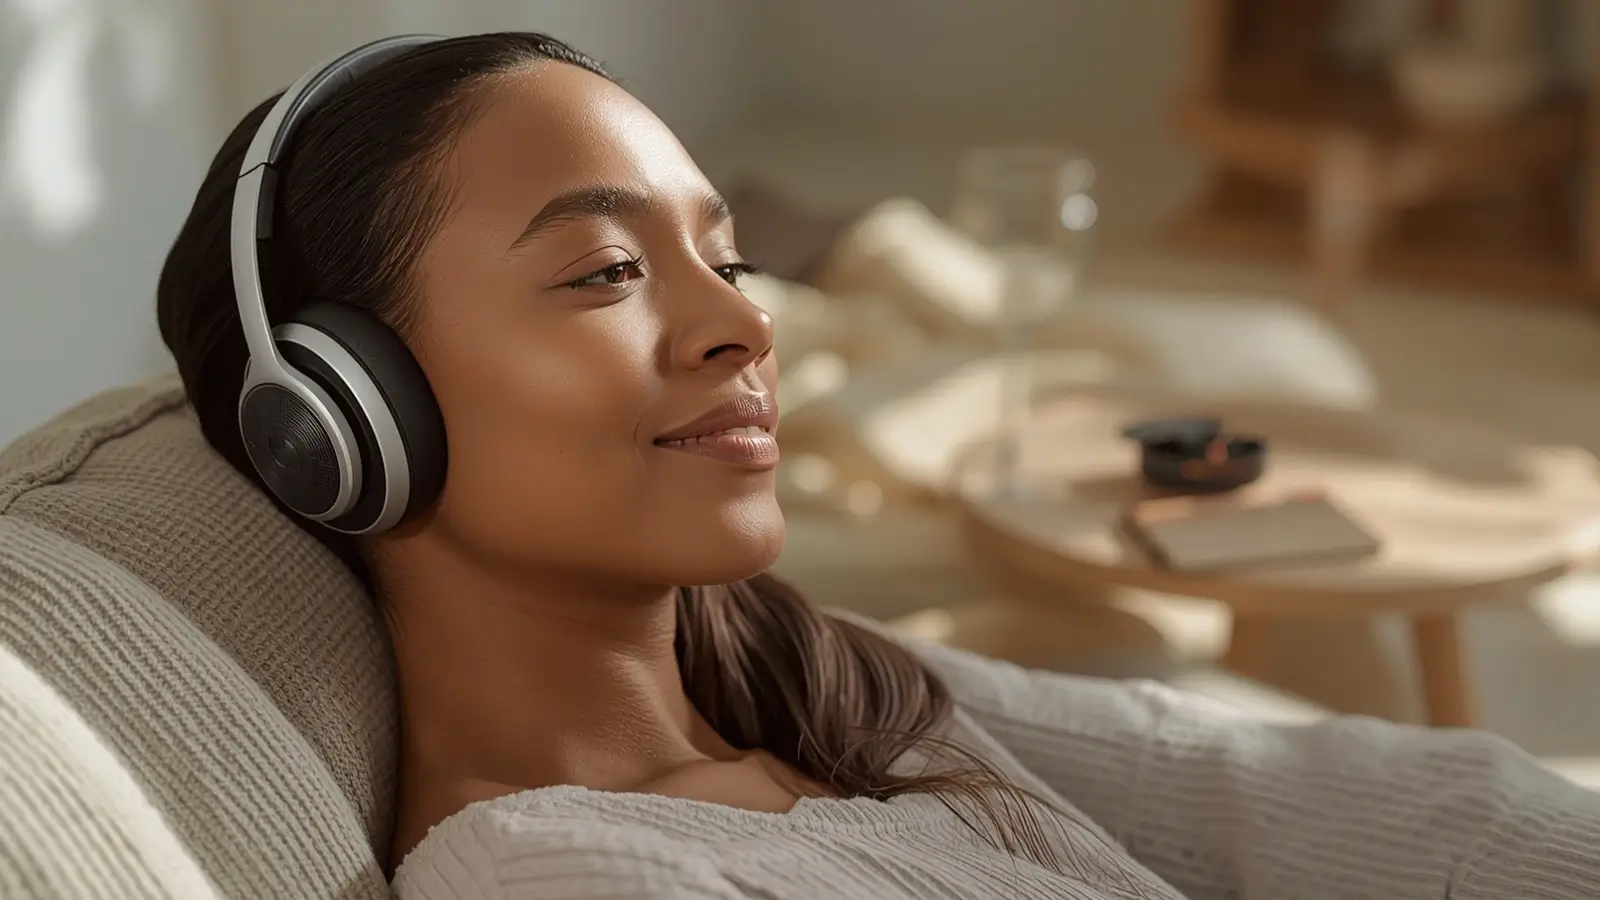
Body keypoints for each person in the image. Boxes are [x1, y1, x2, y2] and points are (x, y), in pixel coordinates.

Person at [156, 31, 1600, 900]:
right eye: (605, 270)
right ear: (342, 417)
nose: (743, 319)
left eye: (724, 256)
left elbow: (1277, 787)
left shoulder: (810, 680)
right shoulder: (561, 874)